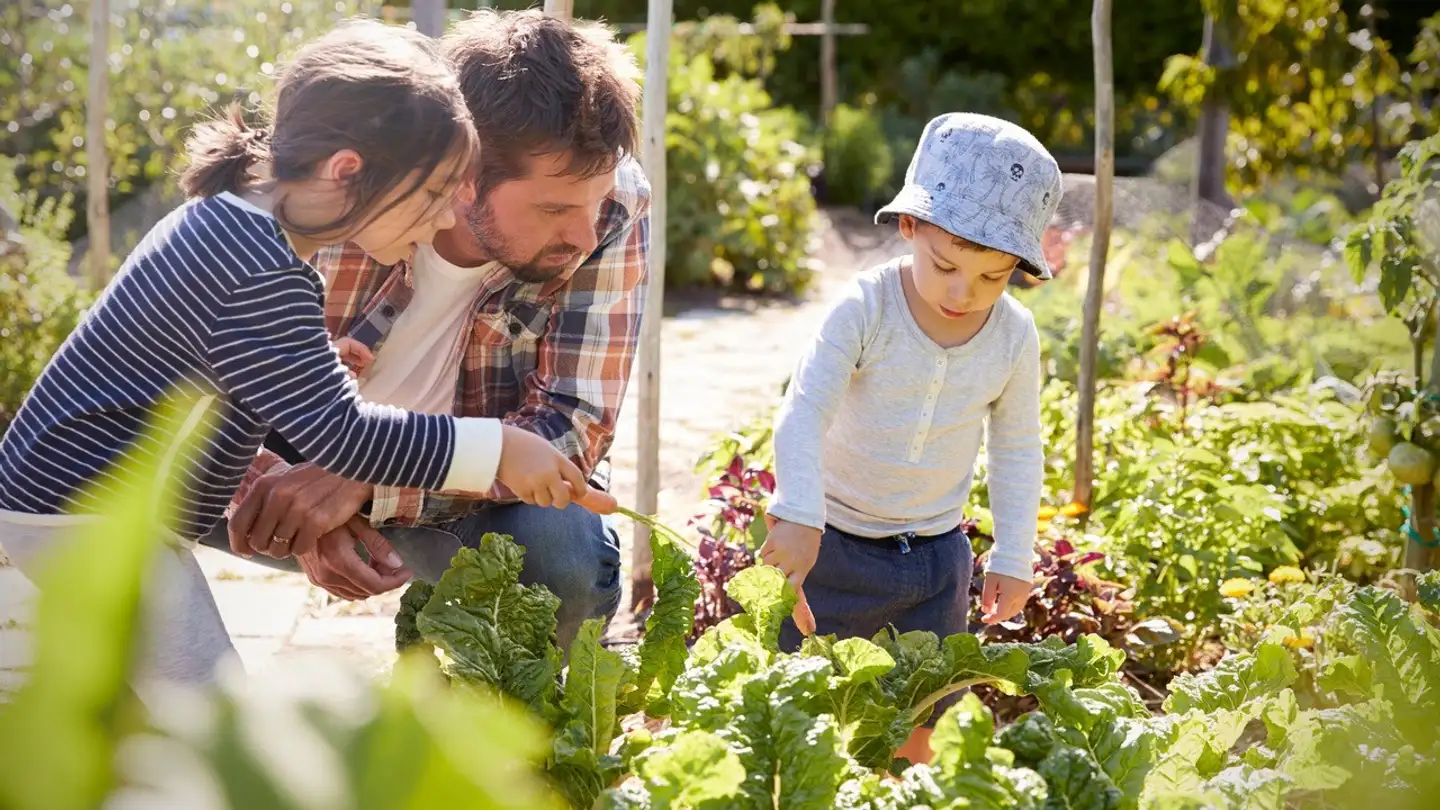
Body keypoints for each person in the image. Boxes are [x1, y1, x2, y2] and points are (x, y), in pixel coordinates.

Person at [0, 19, 593, 687]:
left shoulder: (232, 225)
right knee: (209, 715)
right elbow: (346, 438)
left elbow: (207, 369)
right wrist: (499, 448)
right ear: (348, 172)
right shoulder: (261, 270)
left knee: (146, 704)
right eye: (432, 194)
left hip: (71, 498)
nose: (447, 219)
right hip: (88, 514)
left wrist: (307, 362)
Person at [201, 9, 650, 651]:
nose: (584, 233)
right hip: (286, 479)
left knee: (562, 553)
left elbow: (572, 427)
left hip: (457, 494)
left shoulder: (611, 205)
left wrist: (363, 475)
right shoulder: (323, 192)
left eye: (594, 201)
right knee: (124, 468)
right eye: (553, 209)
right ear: (465, 182)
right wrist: (298, 509)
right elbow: (182, 386)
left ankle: (453, 682)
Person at [759, 112, 1060, 761]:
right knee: (805, 715)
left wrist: (1014, 554)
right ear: (909, 226)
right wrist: (798, 514)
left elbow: (1016, 448)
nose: (964, 292)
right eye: (946, 264)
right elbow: (804, 409)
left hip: (935, 562)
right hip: (831, 547)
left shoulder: (1013, 337)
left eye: (992, 276)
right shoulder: (865, 308)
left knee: (918, 721)